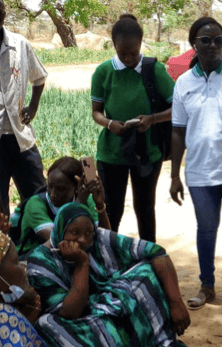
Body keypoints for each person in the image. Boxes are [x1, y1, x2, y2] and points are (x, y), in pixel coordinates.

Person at [26, 202, 191, 347]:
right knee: (46, 325)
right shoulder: (41, 262)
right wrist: (82, 264)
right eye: (74, 232)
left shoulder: (100, 238)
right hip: (85, 326)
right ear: (60, 230)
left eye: (88, 233)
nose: (83, 240)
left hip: (113, 310)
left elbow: (157, 253)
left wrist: (176, 303)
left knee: (146, 272)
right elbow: (70, 312)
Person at [170, 17, 222, 316]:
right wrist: (174, 174)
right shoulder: (183, 83)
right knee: (206, 230)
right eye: (206, 40)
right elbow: (178, 130)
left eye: (218, 40)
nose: (214, 46)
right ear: (194, 44)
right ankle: (207, 286)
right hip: (200, 172)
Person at [91, 14, 174, 242]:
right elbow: (96, 111)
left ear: (141, 44)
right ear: (114, 45)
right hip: (112, 153)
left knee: (145, 208)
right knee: (111, 210)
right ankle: (108, 259)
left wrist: (153, 119)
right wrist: (109, 123)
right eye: (122, 53)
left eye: (133, 52)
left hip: (147, 153)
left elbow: (180, 108)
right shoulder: (103, 72)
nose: (128, 58)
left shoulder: (155, 70)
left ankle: (149, 259)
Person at [0, 0, 48, 218]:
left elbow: (39, 77)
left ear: (4, 15)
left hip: (20, 136)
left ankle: (36, 247)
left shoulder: (20, 44)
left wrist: (33, 106)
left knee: (38, 197)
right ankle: (6, 251)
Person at [15, 156, 110, 257]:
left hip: (71, 258)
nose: (53, 194)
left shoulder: (89, 201)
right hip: (34, 258)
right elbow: (58, 241)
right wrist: (78, 204)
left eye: (61, 189)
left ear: (76, 187)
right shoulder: (35, 204)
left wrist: (100, 205)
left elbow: (104, 239)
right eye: (50, 186)